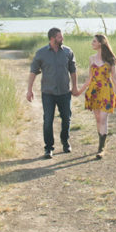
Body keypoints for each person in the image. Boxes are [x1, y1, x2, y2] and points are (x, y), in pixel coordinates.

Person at [26, 27, 77, 159]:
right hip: (48, 93)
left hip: (65, 92)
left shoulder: (67, 51)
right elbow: (33, 71)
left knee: (66, 118)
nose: (62, 39)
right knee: (48, 120)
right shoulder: (41, 53)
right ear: (52, 38)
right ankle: (48, 148)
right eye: (60, 37)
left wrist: (75, 87)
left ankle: (65, 142)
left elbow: (73, 70)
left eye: (62, 36)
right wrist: (29, 90)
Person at [76, 34, 116, 159]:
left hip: (106, 91)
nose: (92, 43)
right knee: (97, 119)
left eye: (94, 41)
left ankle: (101, 149)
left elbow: (115, 78)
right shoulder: (91, 59)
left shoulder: (111, 59)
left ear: (101, 43)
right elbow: (89, 78)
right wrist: (79, 91)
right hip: (94, 91)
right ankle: (101, 142)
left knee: (103, 118)